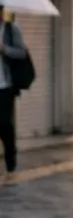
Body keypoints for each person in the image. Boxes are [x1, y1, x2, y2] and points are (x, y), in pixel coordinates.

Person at [0, 14, 30, 180]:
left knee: (4, 124)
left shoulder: (11, 30)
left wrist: (4, 49)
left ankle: (11, 160)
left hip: (5, 86)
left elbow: (22, 53)